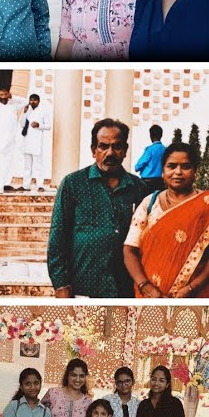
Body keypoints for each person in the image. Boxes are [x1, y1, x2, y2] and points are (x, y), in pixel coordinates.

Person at [123, 143, 209, 298]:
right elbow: (129, 249)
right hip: (149, 298)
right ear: (163, 171)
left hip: (195, 297)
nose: (178, 172)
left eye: (186, 166)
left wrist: (192, 288)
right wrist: (145, 286)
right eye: (171, 166)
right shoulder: (150, 203)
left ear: (195, 172)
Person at [47, 119, 148, 298]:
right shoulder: (73, 184)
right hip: (83, 287)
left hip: (126, 289)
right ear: (94, 150)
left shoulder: (138, 188)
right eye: (103, 146)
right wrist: (60, 284)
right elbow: (57, 236)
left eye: (117, 146)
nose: (110, 153)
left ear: (125, 150)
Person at [19, 94, 53, 191]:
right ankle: (26, 186)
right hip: (26, 142)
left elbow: (48, 126)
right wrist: (24, 113)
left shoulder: (43, 112)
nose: (32, 102)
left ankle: (40, 185)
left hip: (37, 143)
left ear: (38, 101)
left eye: (35, 100)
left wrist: (39, 125)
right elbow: (21, 124)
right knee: (27, 166)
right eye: (31, 100)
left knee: (38, 165)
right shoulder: (27, 111)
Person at [134, 125, 166, 192]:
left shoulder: (149, 149)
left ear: (151, 136)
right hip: (159, 181)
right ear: (161, 135)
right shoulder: (165, 149)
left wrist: (136, 167)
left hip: (147, 182)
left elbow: (141, 163)